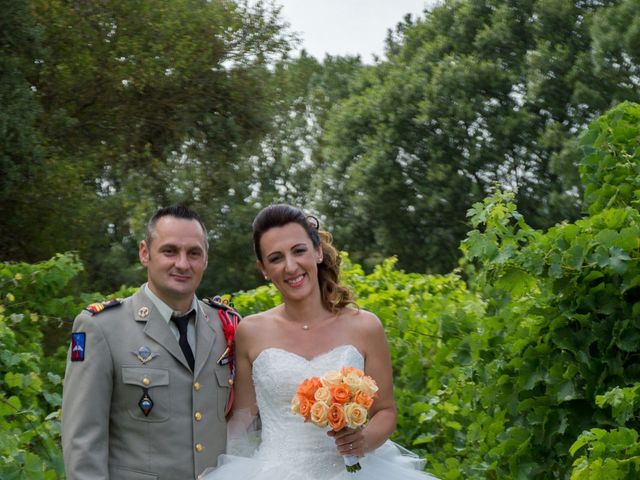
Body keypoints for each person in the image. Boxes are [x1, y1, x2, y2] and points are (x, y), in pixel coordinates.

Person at [202, 204, 439, 479]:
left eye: (299, 251)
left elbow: (385, 411)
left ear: (317, 252)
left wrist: (363, 440)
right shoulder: (251, 331)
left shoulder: (365, 326)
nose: (290, 267)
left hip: (354, 471)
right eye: (276, 258)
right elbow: (242, 421)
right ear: (263, 268)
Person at [62, 205, 238, 480]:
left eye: (194, 253)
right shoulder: (101, 328)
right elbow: (83, 442)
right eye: (170, 251)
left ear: (205, 259)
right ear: (145, 253)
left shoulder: (226, 325)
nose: (182, 263)